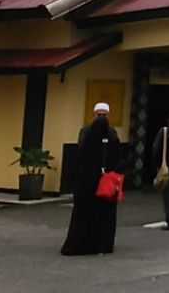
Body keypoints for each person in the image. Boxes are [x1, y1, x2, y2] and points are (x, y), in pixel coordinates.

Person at [61, 102, 123, 255]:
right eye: (99, 115)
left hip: (95, 183)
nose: (101, 118)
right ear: (93, 115)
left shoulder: (108, 133)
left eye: (104, 115)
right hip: (95, 183)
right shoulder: (89, 133)